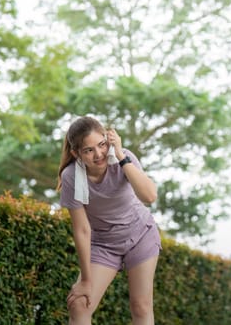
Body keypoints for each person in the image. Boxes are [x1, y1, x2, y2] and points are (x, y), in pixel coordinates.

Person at [56, 116, 161, 325]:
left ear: (108, 140)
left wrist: (121, 156)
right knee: (80, 304)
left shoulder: (124, 158)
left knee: (141, 306)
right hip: (104, 243)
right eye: (89, 150)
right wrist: (86, 280)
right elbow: (82, 229)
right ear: (76, 153)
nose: (99, 154)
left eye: (102, 144)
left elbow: (149, 196)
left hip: (141, 235)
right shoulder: (71, 177)